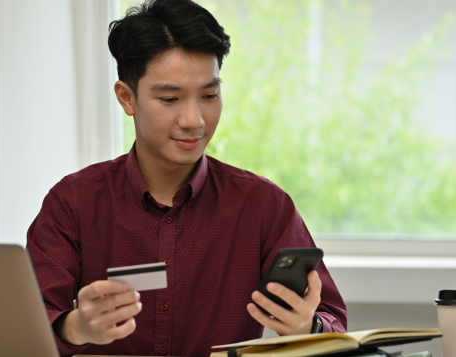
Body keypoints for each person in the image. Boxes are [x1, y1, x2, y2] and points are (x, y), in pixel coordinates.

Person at [26, 0, 347, 356]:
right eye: (170, 99)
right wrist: (76, 327)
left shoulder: (263, 206)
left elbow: (331, 322)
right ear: (126, 97)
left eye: (209, 95)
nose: (194, 120)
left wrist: (306, 326)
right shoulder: (74, 202)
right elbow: (28, 324)